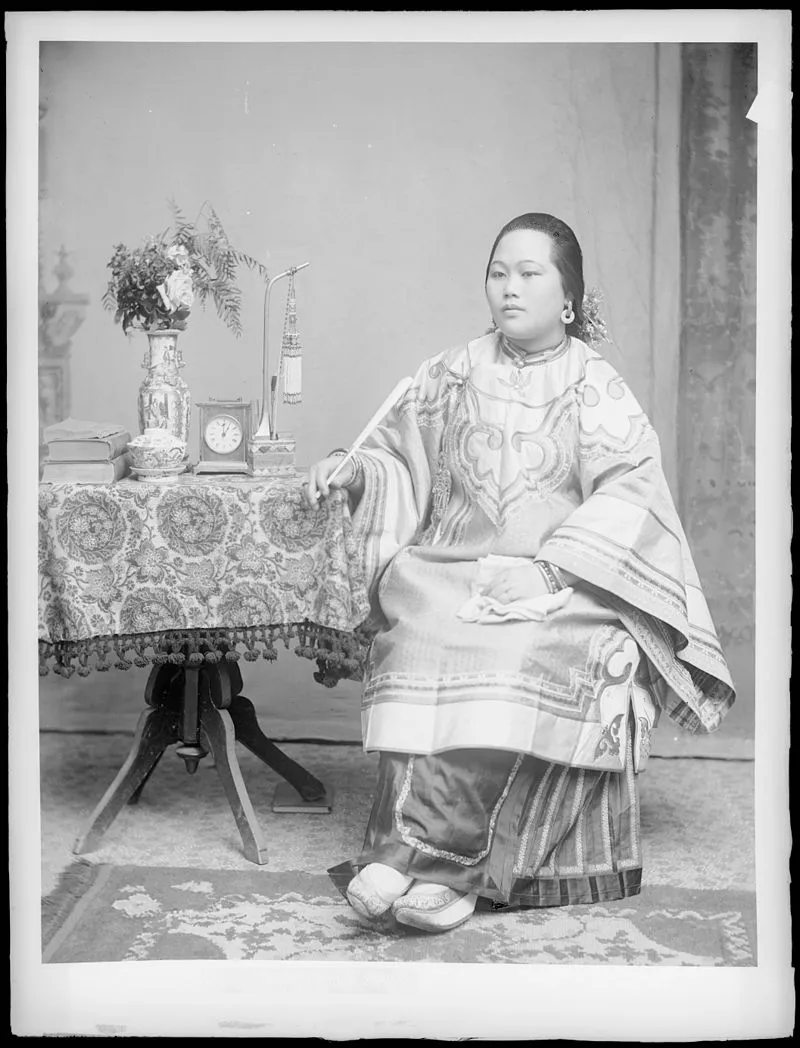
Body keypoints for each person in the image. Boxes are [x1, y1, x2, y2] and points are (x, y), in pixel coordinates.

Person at [306, 212, 735, 935]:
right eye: (498, 272)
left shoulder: (594, 385)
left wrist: (547, 573)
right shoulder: (450, 372)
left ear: (568, 295)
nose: (509, 288)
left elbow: (634, 492)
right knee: (426, 634)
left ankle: (433, 869)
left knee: (503, 650)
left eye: (529, 273)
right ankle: (413, 862)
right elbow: (397, 460)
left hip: (563, 587)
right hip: (451, 567)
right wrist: (356, 475)